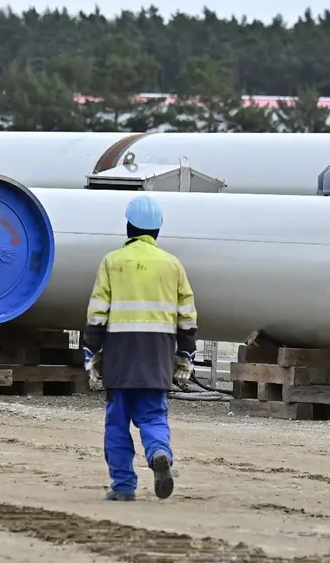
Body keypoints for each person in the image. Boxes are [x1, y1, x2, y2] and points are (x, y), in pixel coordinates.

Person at [82, 195, 198, 502]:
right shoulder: (173, 266)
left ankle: (123, 486)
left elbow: (96, 314)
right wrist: (184, 355)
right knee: (152, 416)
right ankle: (159, 452)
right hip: (157, 356)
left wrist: (91, 353)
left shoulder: (112, 262)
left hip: (119, 355)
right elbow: (187, 317)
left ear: (129, 227)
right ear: (158, 229)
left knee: (117, 422)